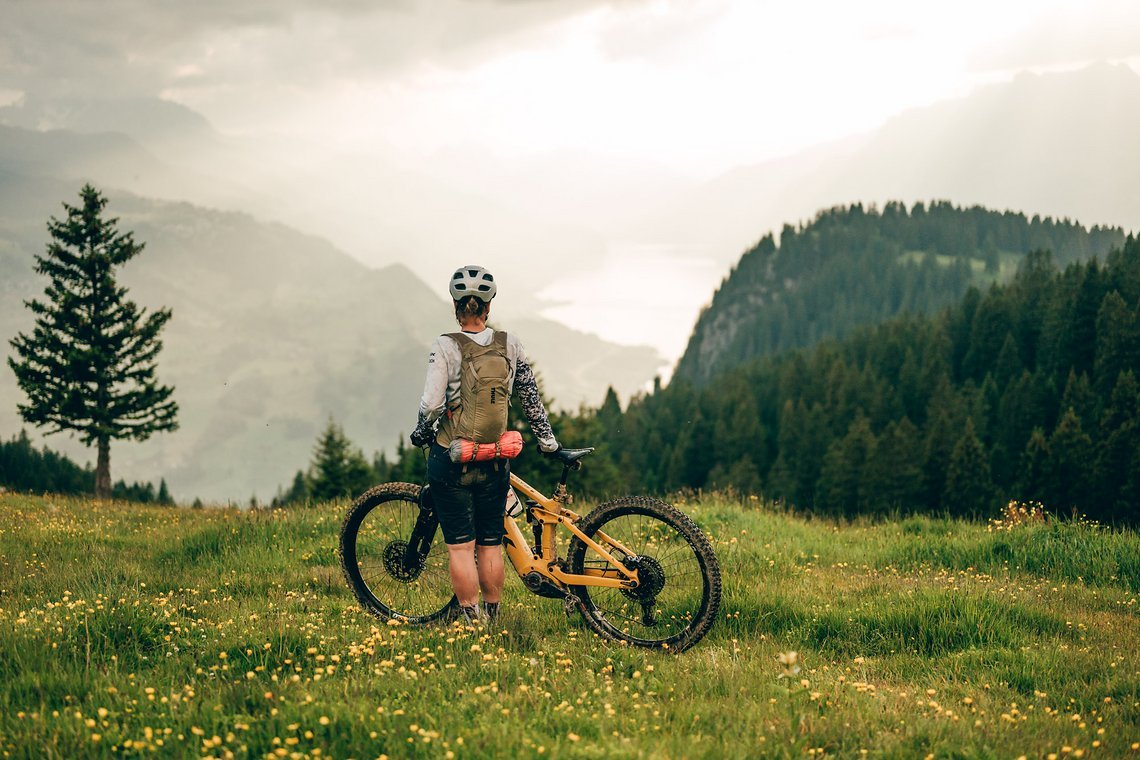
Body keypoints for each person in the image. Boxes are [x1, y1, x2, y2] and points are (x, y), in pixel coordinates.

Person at [409, 265, 560, 625]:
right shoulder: (510, 342)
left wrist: (421, 429)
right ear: (488, 307)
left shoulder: (445, 345)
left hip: (454, 457)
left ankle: (471, 623)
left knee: (461, 546)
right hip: (495, 459)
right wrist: (547, 440)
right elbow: (529, 394)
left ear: (456, 306)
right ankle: (492, 618)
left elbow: (432, 403)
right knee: (490, 543)